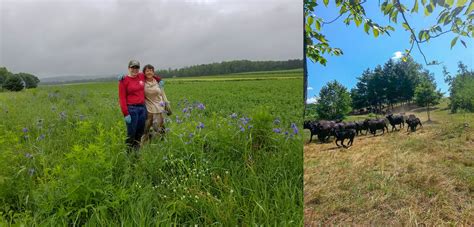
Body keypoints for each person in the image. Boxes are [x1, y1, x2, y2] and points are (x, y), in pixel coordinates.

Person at [118, 60, 161, 150]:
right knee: (131, 133)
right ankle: (129, 152)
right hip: (131, 109)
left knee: (140, 131)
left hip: (142, 108)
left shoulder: (141, 76)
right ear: (129, 68)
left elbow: (150, 75)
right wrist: (125, 113)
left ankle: (136, 151)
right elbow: (122, 98)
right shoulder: (123, 80)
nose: (134, 69)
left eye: (137, 67)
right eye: (132, 67)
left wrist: (159, 79)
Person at [141, 64, 171, 145]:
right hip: (149, 108)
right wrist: (124, 78)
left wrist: (167, 103)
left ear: (153, 72)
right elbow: (133, 77)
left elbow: (163, 93)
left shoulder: (158, 81)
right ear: (144, 72)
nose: (149, 72)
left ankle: (162, 142)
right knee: (146, 128)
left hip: (159, 107)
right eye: (147, 71)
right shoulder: (142, 81)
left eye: (151, 70)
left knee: (159, 127)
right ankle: (143, 145)